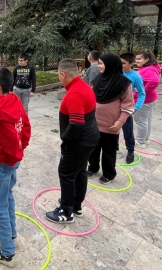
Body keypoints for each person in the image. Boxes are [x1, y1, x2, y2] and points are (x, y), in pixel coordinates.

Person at [0, 67, 31, 268]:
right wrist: (21, 150)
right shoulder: (14, 99)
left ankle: (6, 252)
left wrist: (13, 158)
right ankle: (10, 232)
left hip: (3, 162)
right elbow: (25, 127)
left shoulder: (1, 111)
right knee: (8, 196)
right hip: (12, 161)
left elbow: (11, 140)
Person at [45, 59, 99, 224]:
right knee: (80, 171)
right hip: (89, 139)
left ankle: (66, 212)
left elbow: (76, 124)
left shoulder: (75, 92)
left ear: (63, 74)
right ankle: (76, 205)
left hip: (79, 141)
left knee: (66, 173)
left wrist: (65, 140)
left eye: (59, 75)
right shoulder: (83, 86)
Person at [87, 54, 134, 184]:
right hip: (94, 123)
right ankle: (93, 167)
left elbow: (128, 105)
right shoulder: (98, 79)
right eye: (99, 63)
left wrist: (120, 122)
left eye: (101, 63)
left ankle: (109, 174)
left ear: (111, 65)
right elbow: (90, 96)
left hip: (111, 125)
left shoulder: (123, 83)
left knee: (109, 151)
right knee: (93, 148)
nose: (99, 66)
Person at [119, 53, 146, 164]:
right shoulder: (116, 73)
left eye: (123, 63)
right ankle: (114, 149)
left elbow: (142, 93)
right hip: (114, 107)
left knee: (128, 132)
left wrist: (136, 107)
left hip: (126, 109)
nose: (120, 65)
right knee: (112, 130)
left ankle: (130, 151)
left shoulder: (136, 77)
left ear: (131, 64)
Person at [133, 50, 161, 147]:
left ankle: (140, 141)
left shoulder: (148, 69)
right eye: (136, 58)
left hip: (144, 101)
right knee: (146, 120)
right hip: (150, 99)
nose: (137, 61)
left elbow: (154, 81)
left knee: (140, 120)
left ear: (147, 59)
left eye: (139, 59)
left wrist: (142, 92)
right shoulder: (148, 67)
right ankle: (144, 138)